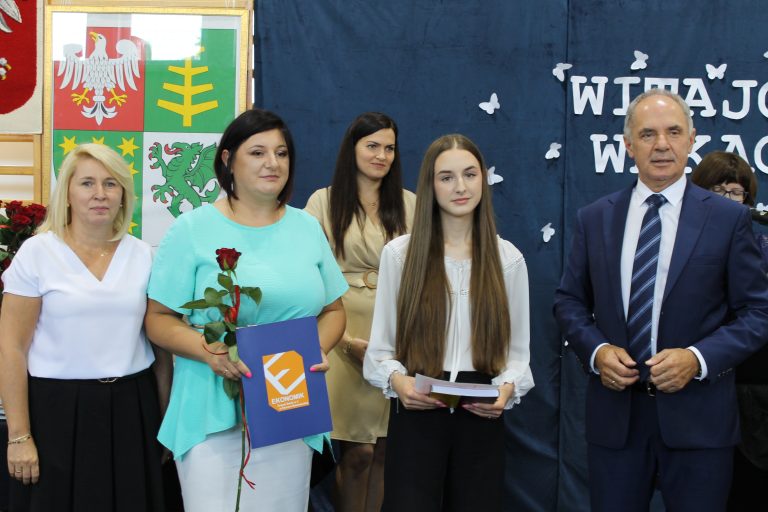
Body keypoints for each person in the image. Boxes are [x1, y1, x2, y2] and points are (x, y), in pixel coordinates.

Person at [554, 90, 768, 512]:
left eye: (673, 132)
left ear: (691, 139)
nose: (662, 144)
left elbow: (758, 312)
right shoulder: (595, 218)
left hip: (700, 422)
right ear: (628, 145)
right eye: (647, 134)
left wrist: (698, 359)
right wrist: (597, 352)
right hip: (616, 423)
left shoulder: (729, 219)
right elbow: (569, 301)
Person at [144, 108, 348, 512]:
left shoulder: (307, 228)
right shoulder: (191, 230)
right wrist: (207, 350)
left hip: (289, 402)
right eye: (258, 152)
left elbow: (334, 311)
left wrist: (314, 350)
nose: (273, 163)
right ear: (228, 160)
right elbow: (158, 319)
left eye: (281, 153)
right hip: (211, 410)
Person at [364, 133, 534, 512]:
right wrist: (399, 383)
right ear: (431, 185)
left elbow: (518, 354)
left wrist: (506, 390)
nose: (460, 187)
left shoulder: (508, 259)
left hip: (481, 414)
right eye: (447, 177)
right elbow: (380, 350)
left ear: (483, 180)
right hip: (417, 408)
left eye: (470, 174)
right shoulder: (400, 255)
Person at [0, 143, 168, 512]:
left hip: (132, 408)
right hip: (54, 412)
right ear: (68, 193)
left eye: (110, 183)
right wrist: (19, 436)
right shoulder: (37, 253)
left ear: (123, 195)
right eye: (87, 183)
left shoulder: (144, 256)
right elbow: (11, 348)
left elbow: (160, 350)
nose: (99, 194)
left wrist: (165, 418)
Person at [305, 112, 416, 512]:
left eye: (389, 148)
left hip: (393, 336)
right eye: (372, 146)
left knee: (384, 451)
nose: (381, 155)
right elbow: (309, 275)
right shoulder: (323, 201)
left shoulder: (410, 204)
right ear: (352, 149)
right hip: (339, 331)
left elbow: (422, 273)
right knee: (357, 453)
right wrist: (347, 341)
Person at [690, 150, 768, 510]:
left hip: (754, 397)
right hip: (699, 393)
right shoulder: (681, 249)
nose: (727, 200)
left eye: (735, 192)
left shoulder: (762, 248)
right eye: (717, 191)